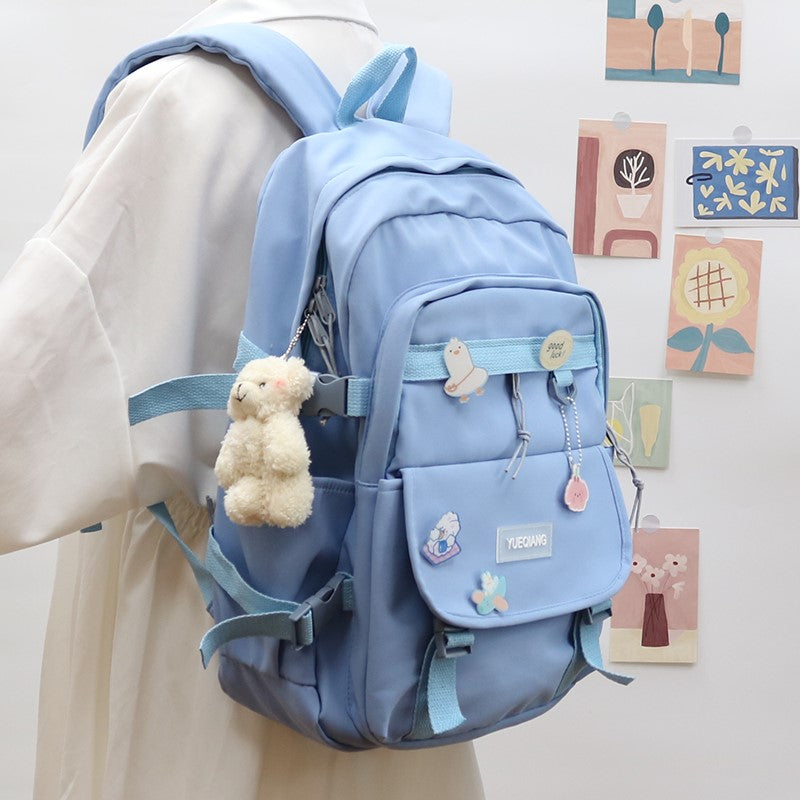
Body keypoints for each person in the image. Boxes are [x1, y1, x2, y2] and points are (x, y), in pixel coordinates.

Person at [0, 1, 485, 797]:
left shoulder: (184, 96)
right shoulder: (404, 94)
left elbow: (25, 399)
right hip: (398, 638)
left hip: (214, 637)